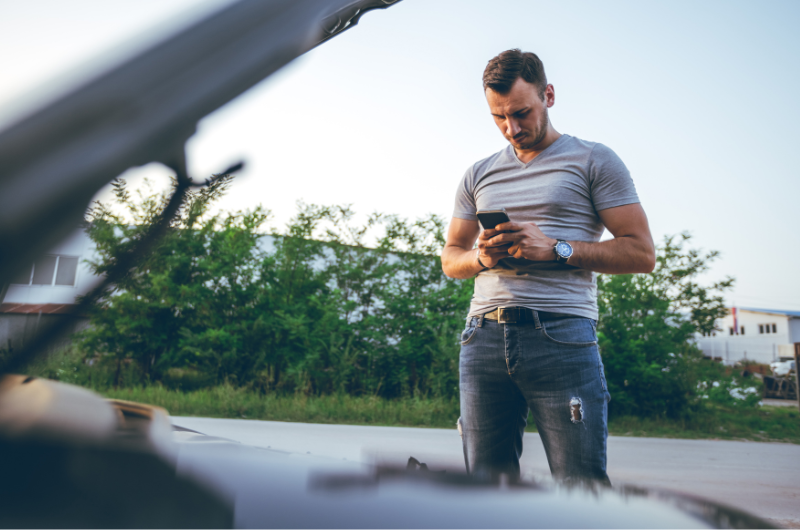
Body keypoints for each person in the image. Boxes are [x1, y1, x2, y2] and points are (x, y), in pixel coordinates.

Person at [441, 49, 655, 484]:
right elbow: (451, 258)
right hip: (481, 336)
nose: (511, 128)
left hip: (561, 335)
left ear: (549, 95)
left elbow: (641, 253)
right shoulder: (477, 174)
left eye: (521, 113)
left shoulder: (595, 160)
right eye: (498, 117)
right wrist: (483, 258)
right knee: (485, 487)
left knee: (581, 486)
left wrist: (555, 248)